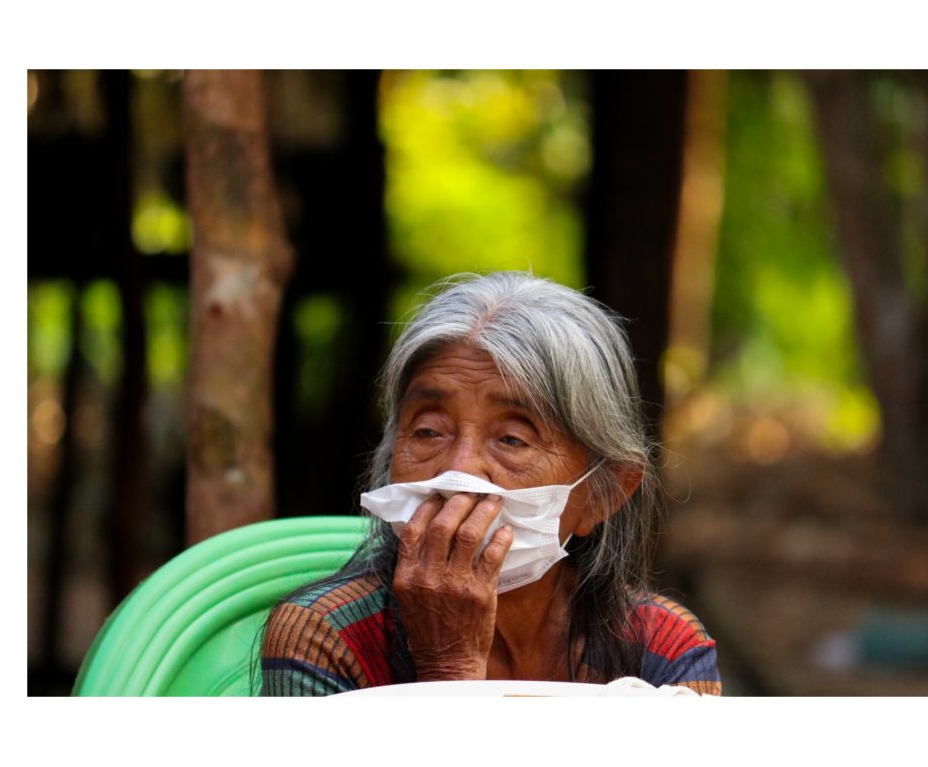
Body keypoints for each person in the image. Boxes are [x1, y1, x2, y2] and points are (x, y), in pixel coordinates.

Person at [259, 272, 721, 695]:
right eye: (428, 430)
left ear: (604, 494)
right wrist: (448, 669)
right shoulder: (326, 635)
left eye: (512, 439)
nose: (459, 473)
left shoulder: (660, 647)